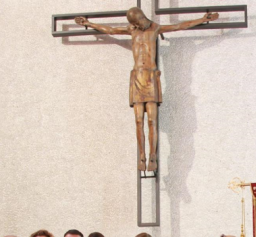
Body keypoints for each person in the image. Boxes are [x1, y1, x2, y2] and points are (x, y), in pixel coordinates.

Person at [74, 8, 219, 171]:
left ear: (142, 17)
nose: (138, 24)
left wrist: (203, 19)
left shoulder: (155, 28)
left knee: (152, 120)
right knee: (138, 120)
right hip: (137, 77)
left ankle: (153, 156)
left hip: (150, 77)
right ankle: (141, 155)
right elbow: (111, 30)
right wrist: (88, 23)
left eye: (139, 20)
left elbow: (180, 26)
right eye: (135, 22)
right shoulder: (132, 30)